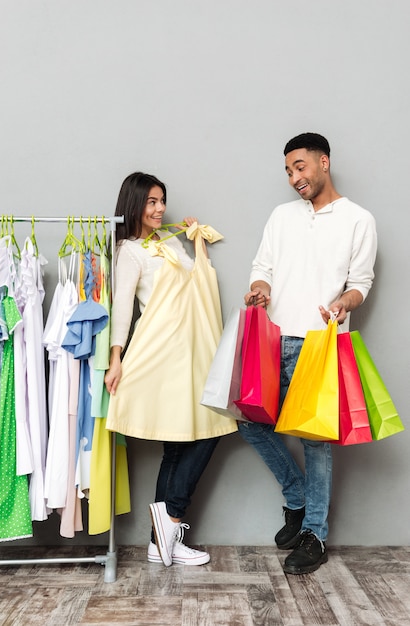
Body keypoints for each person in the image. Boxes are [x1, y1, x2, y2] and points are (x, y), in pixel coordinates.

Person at [238, 133, 377, 575]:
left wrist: (343, 304)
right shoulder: (281, 217)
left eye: (300, 167)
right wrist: (259, 291)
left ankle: (314, 533)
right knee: (248, 421)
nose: (294, 177)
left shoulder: (358, 219)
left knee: (315, 442)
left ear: (323, 162)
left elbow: (361, 283)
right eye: (288, 171)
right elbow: (262, 270)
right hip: (272, 339)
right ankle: (297, 499)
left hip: (319, 342)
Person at [104, 172, 237, 567]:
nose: (160, 209)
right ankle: (172, 523)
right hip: (161, 354)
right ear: (134, 204)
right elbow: (123, 308)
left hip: (194, 352)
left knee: (188, 439)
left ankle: (159, 540)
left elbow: (201, 282)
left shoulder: (170, 240)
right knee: (189, 437)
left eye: (162, 201)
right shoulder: (129, 251)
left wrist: (197, 241)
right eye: (151, 202)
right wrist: (116, 359)